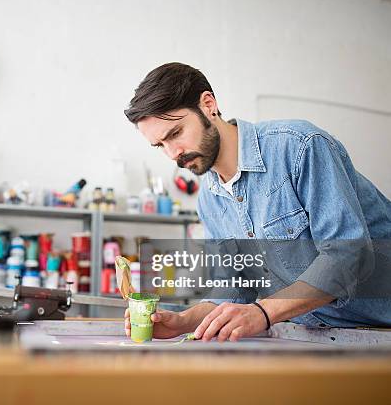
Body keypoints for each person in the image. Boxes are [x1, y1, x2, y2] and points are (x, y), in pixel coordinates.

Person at [123, 63, 391, 342]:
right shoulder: (209, 199)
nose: (172, 154)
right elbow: (233, 286)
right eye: (160, 145)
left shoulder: (299, 146)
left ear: (208, 105)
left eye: (175, 133)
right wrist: (181, 322)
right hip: (320, 336)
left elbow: (347, 256)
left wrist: (261, 312)